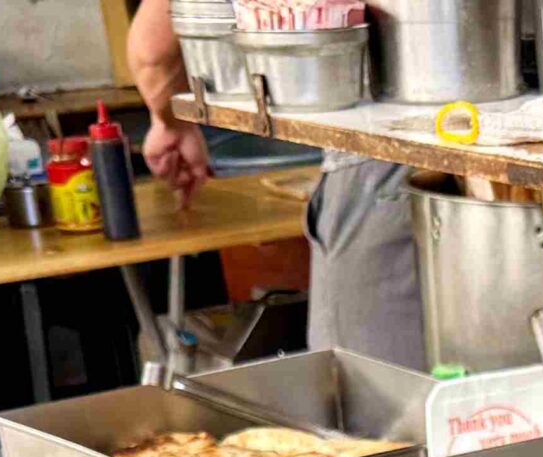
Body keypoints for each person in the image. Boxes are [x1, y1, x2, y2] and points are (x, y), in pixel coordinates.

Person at [126, 0, 426, 370]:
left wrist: (169, 120)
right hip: (505, 158)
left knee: (368, 392)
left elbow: (154, 52)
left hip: (387, 150)